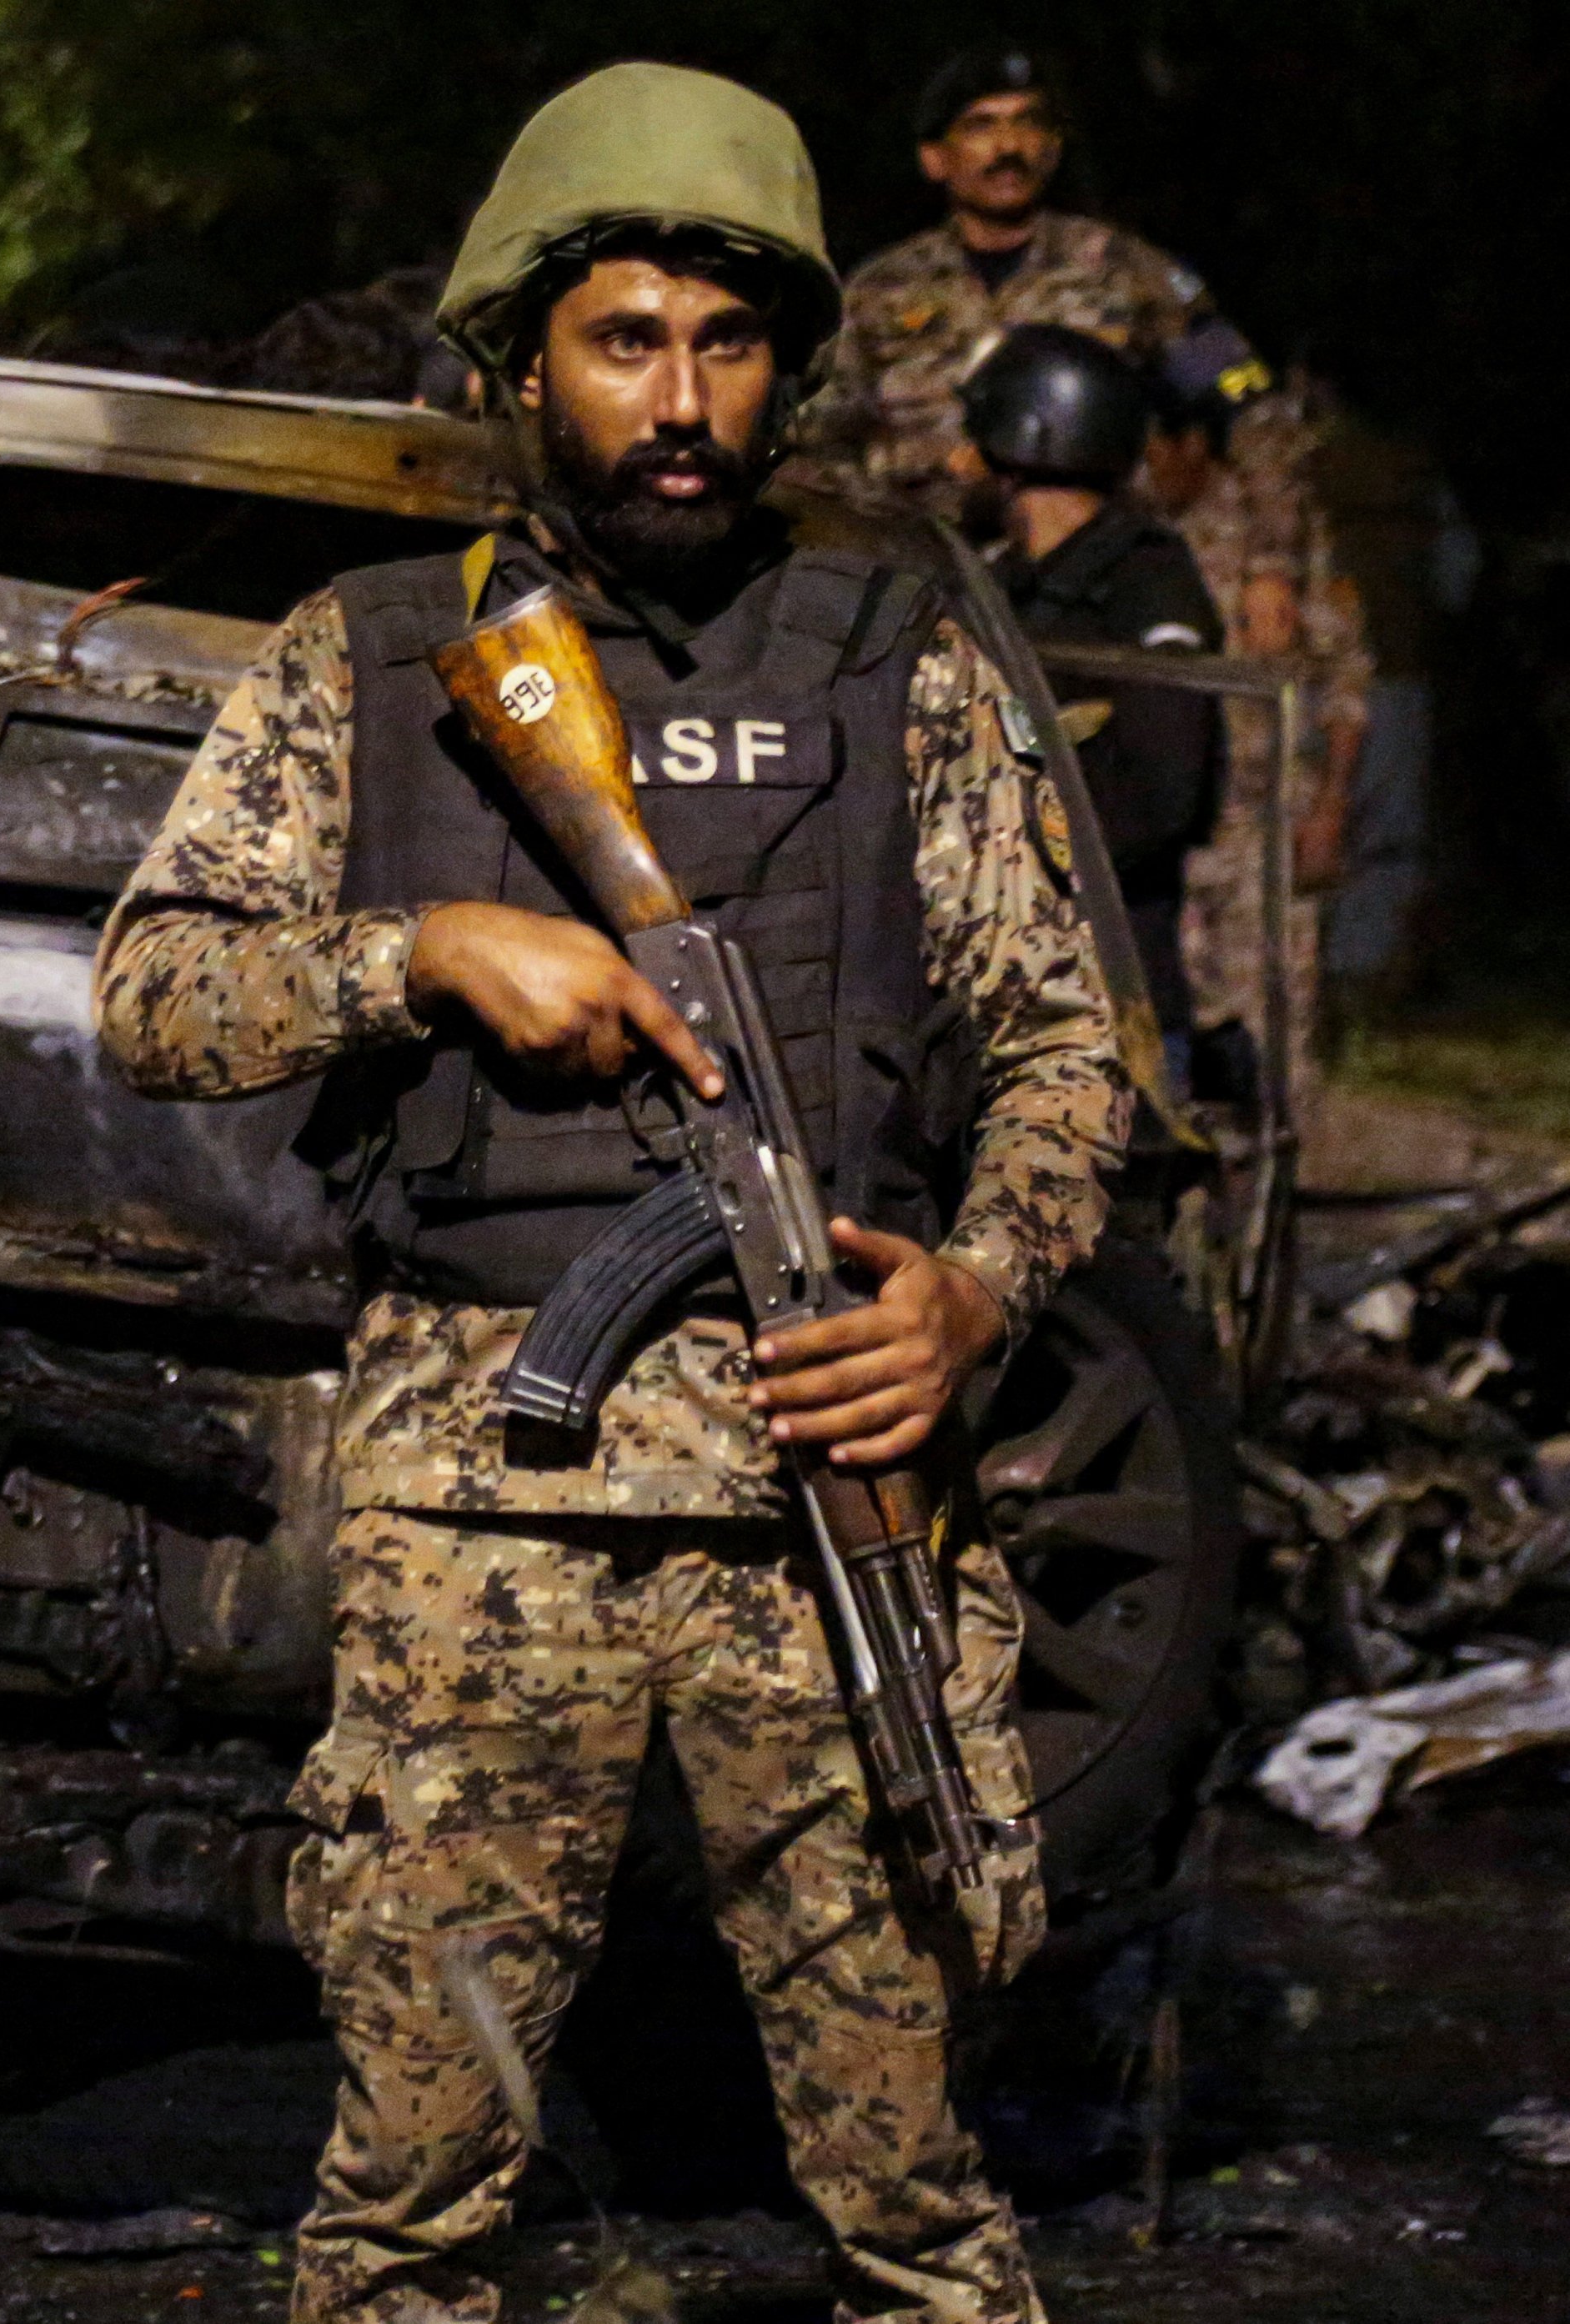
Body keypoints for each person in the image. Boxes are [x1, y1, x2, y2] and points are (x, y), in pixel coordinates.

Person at [96, 61, 1126, 2324]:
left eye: (722, 344)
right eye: (620, 339)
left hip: (822, 1508)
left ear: (781, 374)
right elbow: (153, 993)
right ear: (519, 361)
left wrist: (967, 1291)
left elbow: (1065, 1050)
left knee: (926, 2212)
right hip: (475, 1517)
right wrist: (418, 951)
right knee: (404, 2203)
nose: (675, 399)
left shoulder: (896, 668)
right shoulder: (369, 662)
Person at [794, 43, 1305, 593]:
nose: (1009, 146)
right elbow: (813, 442)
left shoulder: (1127, 272)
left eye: (1027, 123)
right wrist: (895, 505)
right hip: (924, 575)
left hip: (1102, 579)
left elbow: (1250, 408)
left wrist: (1270, 568)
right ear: (934, 158)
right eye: (980, 126)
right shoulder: (878, 291)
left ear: (1052, 147)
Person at [963, 324, 1225, 1095]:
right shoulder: (1004, 583)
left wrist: (1017, 859)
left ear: (1024, 446)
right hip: (1007, 989)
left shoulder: (1144, 581)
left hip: (1109, 992)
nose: (958, 467)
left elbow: (1163, 789)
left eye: (974, 446)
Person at [1145, 329, 1372, 1095]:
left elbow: (1344, 676)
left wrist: (1331, 806)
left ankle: (1277, 1199)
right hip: (1163, 828)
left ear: (1190, 445)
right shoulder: (1124, 538)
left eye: (1153, 451)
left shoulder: (1273, 535)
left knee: (1274, 1035)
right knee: (1166, 1038)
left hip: (1262, 826)